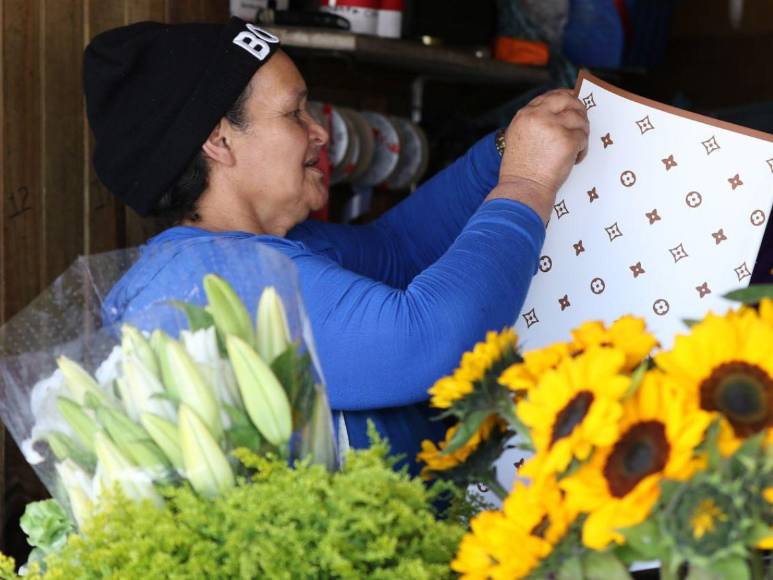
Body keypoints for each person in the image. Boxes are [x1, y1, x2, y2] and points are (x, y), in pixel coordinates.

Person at [84, 18, 588, 475]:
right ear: (219, 140)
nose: (320, 132)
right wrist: (526, 182)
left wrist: (507, 151)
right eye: (294, 113)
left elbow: (400, 249)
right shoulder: (207, 279)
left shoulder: (269, 247)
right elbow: (425, 341)